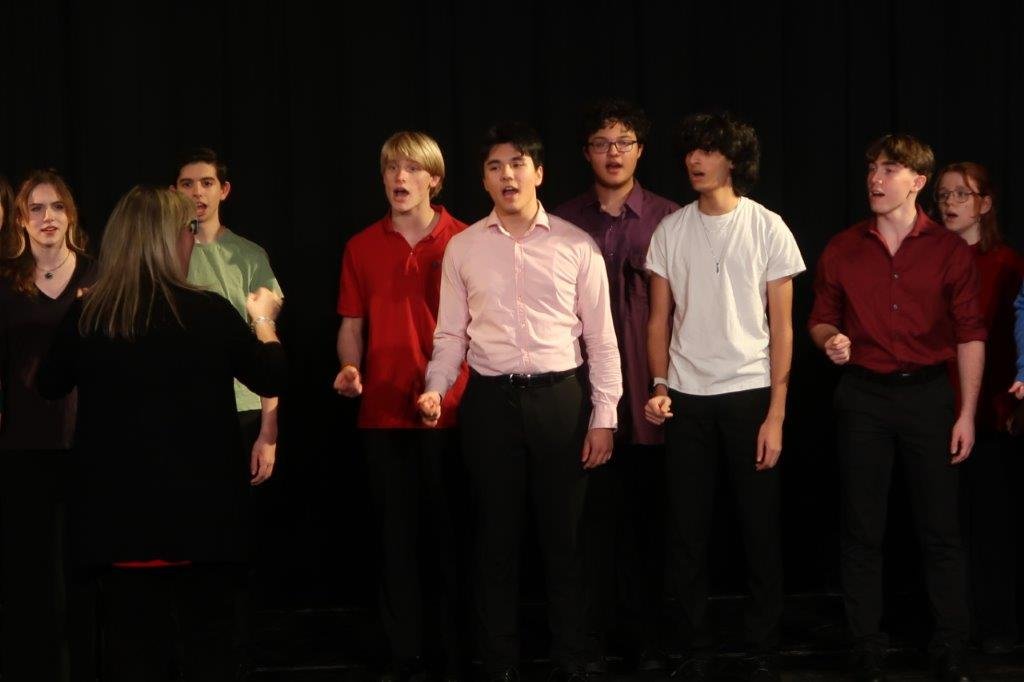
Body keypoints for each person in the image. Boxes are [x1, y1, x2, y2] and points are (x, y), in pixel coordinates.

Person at [38, 186, 286, 681]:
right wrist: (263, 320)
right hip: (201, 527)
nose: (194, 240)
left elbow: (48, 384)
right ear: (170, 239)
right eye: (189, 230)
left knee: (132, 656)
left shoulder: (92, 315)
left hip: (119, 528)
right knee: (208, 651)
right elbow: (271, 376)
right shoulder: (208, 312)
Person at [419, 121, 622, 682]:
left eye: (516, 164)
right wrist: (435, 389)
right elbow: (449, 337)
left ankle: (574, 656)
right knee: (496, 538)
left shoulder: (575, 244)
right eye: (493, 166)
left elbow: (601, 339)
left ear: (538, 173)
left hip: (561, 399)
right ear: (483, 180)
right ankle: (499, 660)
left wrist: (604, 417)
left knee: (566, 538)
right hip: (489, 403)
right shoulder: (463, 248)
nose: (506, 175)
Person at [808, 135, 983, 682]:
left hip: (928, 395)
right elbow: (820, 318)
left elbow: (971, 335)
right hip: (863, 396)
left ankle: (951, 644)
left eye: (890, 169)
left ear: (918, 182)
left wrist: (967, 412)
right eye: (872, 169)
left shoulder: (950, 251)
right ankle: (867, 644)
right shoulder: (843, 247)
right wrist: (830, 339)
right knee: (862, 527)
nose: (876, 179)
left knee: (940, 529)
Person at [644, 112, 804, 682]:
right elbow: (658, 319)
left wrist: (776, 413)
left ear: (732, 159)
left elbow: (782, 328)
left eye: (709, 150)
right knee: (686, 532)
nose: (696, 160)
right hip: (687, 396)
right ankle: (693, 645)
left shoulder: (767, 227)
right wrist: (659, 384)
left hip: (750, 393)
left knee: (759, 529)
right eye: (690, 151)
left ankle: (763, 645)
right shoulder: (670, 230)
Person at [334, 131, 469, 681]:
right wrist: (350, 367)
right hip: (384, 412)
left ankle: (455, 652)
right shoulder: (361, 245)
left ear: (433, 179)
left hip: (454, 412)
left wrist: (451, 392)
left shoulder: (464, 239)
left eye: (412, 169)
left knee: (452, 536)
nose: (399, 178)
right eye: (392, 167)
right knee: (395, 541)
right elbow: (350, 326)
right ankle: (404, 653)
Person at [552, 97, 679, 673]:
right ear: (586, 153)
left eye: (623, 142)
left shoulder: (669, 218)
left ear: (640, 151)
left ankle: (650, 638)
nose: (613, 153)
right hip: (582, 390)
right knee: (588, 525)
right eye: (602, 143)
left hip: (654, 390)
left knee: (651, 521)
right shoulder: (561, 220)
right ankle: (588, 640)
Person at [0, 169, 96, 682]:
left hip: (86, 441)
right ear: (21, 219)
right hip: (21, 443)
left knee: (81, 566)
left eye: (56, 207)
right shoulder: (6, 280)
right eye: (35, 208)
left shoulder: (98, 276)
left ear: (70, 216)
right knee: (31, 569)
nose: (47, 217)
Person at [938, 162, 1024, 655]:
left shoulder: (1005, 263)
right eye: (944, 195)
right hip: (937, 408)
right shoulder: (932, 259)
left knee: (990, 522)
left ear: (985, 204)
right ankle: (955, 625)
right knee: (946, 526)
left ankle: (996, 627)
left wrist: (1006, 403)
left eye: (961, 196)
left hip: (990, 411)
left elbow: (1012, 341)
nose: (949, 204)